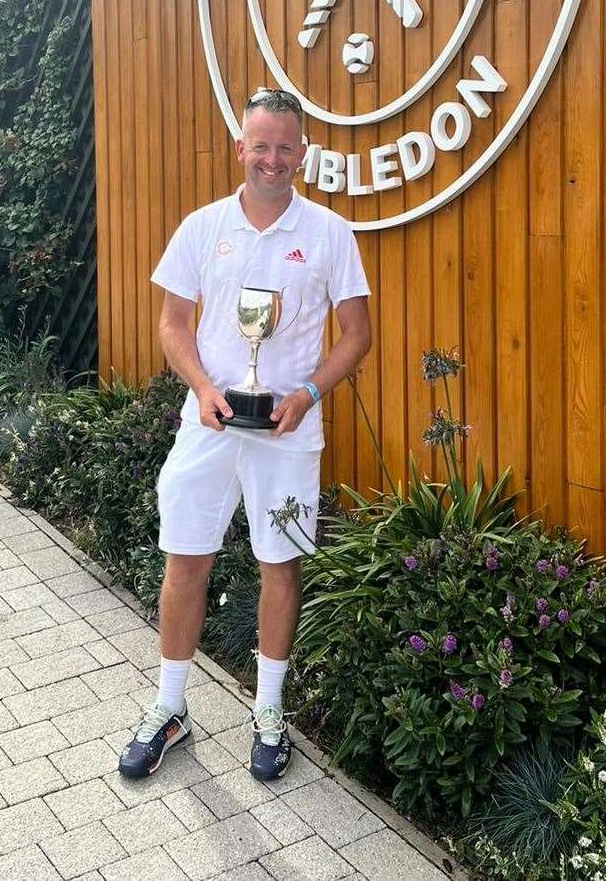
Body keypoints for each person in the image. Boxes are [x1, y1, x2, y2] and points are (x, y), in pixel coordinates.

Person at [117, 89, 371, 782]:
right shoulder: (202, 227)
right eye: (261, 145)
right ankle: (170, 707)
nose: (272, 159)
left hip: (287, 430)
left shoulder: (328, 233)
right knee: (185, 558)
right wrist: (202, 387)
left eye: (286, 147)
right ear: (241, 149)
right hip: (209, 423)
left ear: (304, 155)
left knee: (279, 564)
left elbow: (358, 334)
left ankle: (268, 711)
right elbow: (172, 323)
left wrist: (308, 392)